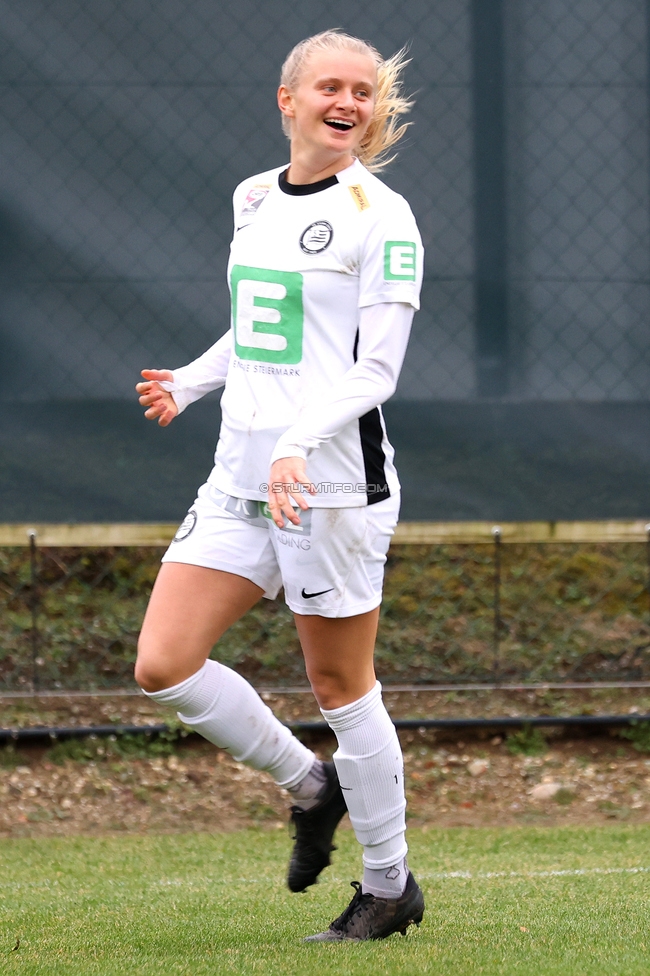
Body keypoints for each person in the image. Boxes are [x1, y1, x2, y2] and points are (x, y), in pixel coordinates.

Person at [134, 28, 424, 942]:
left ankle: (388, 886)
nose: (349, 102)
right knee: (162, 664)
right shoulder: (253, 196)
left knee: (341, 682)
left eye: (364, 92)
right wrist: (189, 380)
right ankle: (311, 785)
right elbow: (261, 328)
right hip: (239, 477)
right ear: (287, 100)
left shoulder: (386, 214)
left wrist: (298, 442)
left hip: (332, 484)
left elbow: (375, 370)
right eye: (331, 87)